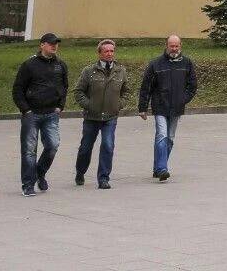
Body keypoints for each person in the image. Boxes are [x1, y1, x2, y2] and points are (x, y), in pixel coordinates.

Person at [12, 33, 68, 196]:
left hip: (51, 113)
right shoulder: (29, 65)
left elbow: (64, 87)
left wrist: (60, 106)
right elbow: (18, 89)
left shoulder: (60, 65)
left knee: (52, 146)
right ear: (42, 45)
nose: (54, 46)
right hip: (32, 114)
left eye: (56, 43)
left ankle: (39, 172)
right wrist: (25, 110)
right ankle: (28, 184)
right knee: (29, 151)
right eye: (51, 43)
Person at [138, 35, 199, 182]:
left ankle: (157, 167)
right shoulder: (156, 64)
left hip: (176, 108)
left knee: (170, 138)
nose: (174, 49)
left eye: (176, 46)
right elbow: (146, 87)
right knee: (162, 135)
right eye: (171, 46)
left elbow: (193, 85)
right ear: (166, 46)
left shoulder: (187, 63)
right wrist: (143, 107)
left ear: (180, 46)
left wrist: (183, 100)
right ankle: (162, 168)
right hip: (160, 106)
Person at [73, 39, 129, 189]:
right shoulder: (89, 71)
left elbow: (126, 91)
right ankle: (80, 171)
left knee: (108, 146)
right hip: (92, 117)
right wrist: (89, 105)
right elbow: (78, 92)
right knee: (86, 147)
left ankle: (103, 178)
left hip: (110, 116)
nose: (110, 54)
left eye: (112, 51)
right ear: (99, 53)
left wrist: (119, 104)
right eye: (106, 51)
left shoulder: (120, 71)